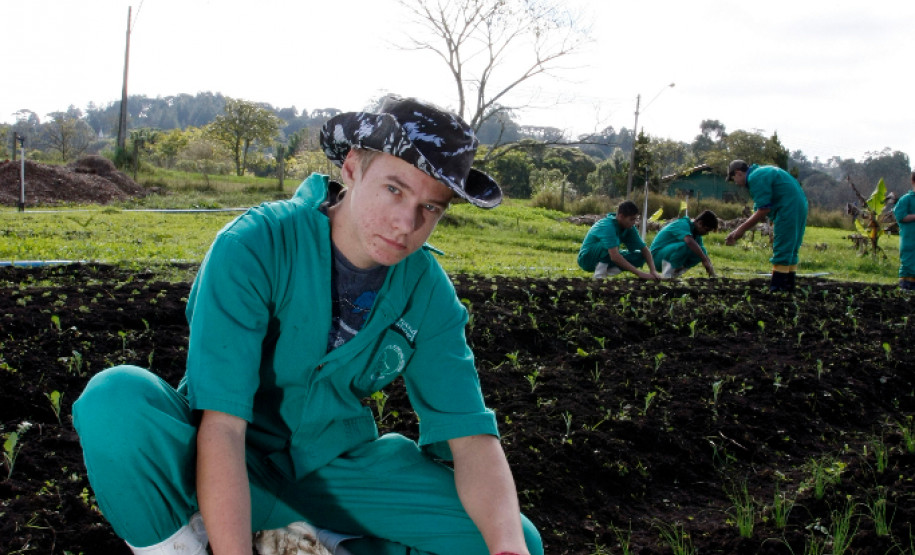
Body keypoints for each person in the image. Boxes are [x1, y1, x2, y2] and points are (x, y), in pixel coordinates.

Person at [72, 96, 542, 555]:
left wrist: (507, 547)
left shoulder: (427, 290)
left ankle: (301, 537)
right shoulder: (255, 245)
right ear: (353, 167)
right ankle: (199, 542)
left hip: (332, 467)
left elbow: (472, 438)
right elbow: (223, 426)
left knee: (509, 535)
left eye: (431, 208)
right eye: (394, 189)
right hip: (226, 457)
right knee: (115, 402)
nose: (406, 223)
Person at [724, 160, 808, 292]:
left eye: (733, 179)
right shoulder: (761, 173)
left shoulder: (755, 178)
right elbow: (759, 210)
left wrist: (739, 231)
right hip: (799, 204)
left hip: (788, 208)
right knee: (791, 248)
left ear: (738, 173)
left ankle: (777, 289)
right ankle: (788, 288)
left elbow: (763, 210)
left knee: (783, 247)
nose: (735, 183)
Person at [577, 200, 661, 280]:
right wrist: (640, 274)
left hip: (608, 256)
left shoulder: (629, 228)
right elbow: (614, 256)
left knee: (641, 256)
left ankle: (606, 271)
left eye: (635, 219)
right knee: (609, 247)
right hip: (587, 259)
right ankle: (599, 276)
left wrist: (653, 271)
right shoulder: (607, 226)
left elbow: (644, 249)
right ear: (621, 216)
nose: (634, 222)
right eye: (631, 219)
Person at [650, 210, 719, 279]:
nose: (706, 233)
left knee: (701, 251)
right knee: (687, 246)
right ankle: (667, 275)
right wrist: (704, 259)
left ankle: (673, 276)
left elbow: (703, 254)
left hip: (666, 257)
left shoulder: (696, 234)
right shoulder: (683, 224)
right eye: (706, 230)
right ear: (700, 223)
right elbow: (689, 241)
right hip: (656, 258)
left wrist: (712, 273)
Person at [893, 171, 915, 290]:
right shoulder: (906, 199)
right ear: (913, 182)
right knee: (909, 264)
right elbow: (900, 216)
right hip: (909, 240)